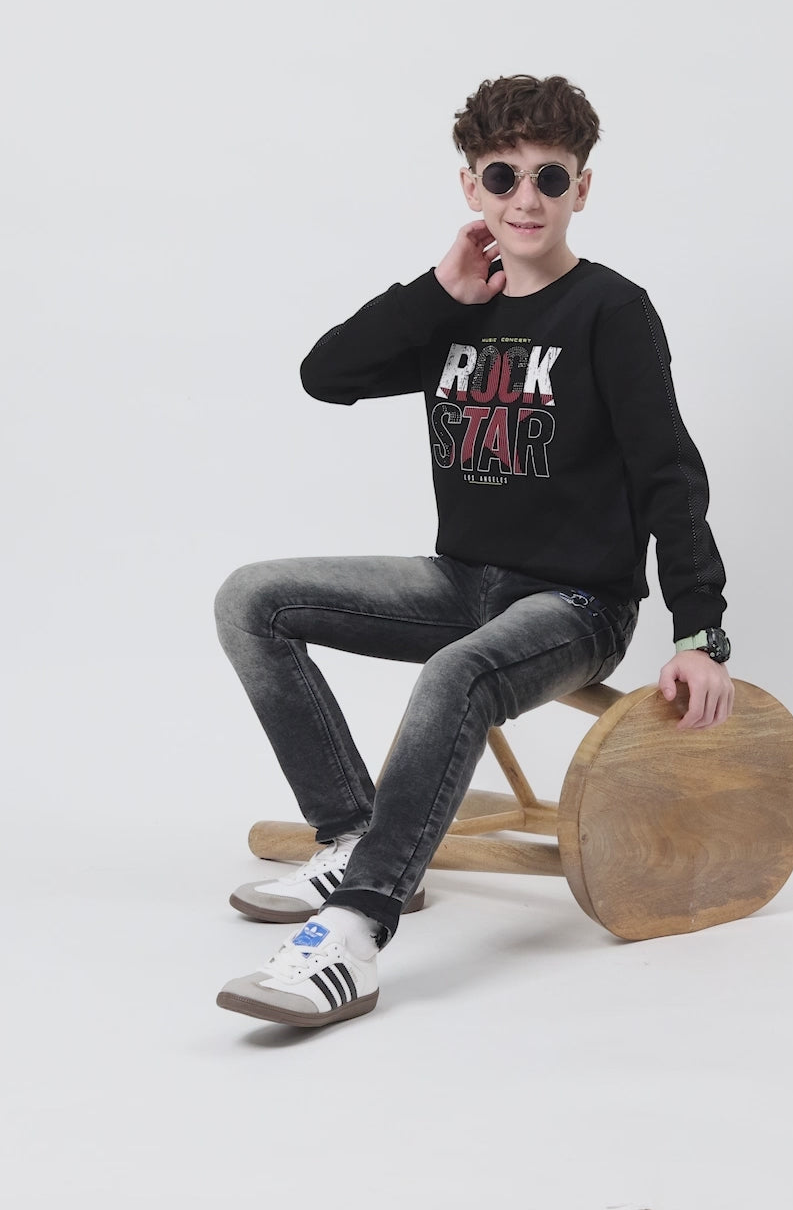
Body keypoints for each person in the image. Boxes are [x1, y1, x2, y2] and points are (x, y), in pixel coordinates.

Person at [214, 74, 734, 1029]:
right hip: (462, 583)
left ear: (582, 188)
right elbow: (325, 375)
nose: (525, 198)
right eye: (503, 177)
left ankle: (355, 929)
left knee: (454, 674)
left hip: (577, 605)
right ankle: (354, 834)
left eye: (549, 176)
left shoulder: (611, 310)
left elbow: (668, 471)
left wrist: (701, 631)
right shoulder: (454, 308)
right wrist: (435, 292)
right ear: (471, 188)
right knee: (252, 599)